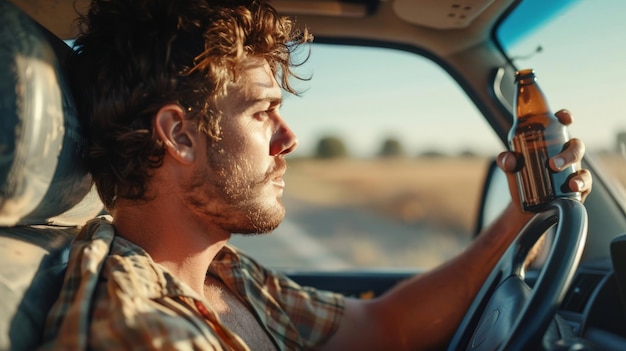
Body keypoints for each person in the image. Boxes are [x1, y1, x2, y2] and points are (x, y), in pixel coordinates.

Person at [41, 0, 592, 349]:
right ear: (180, 136)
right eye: (262, 112)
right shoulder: (142, 329)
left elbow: (382, 327)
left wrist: (521, 212)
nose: (289, 138)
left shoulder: (224, 275)